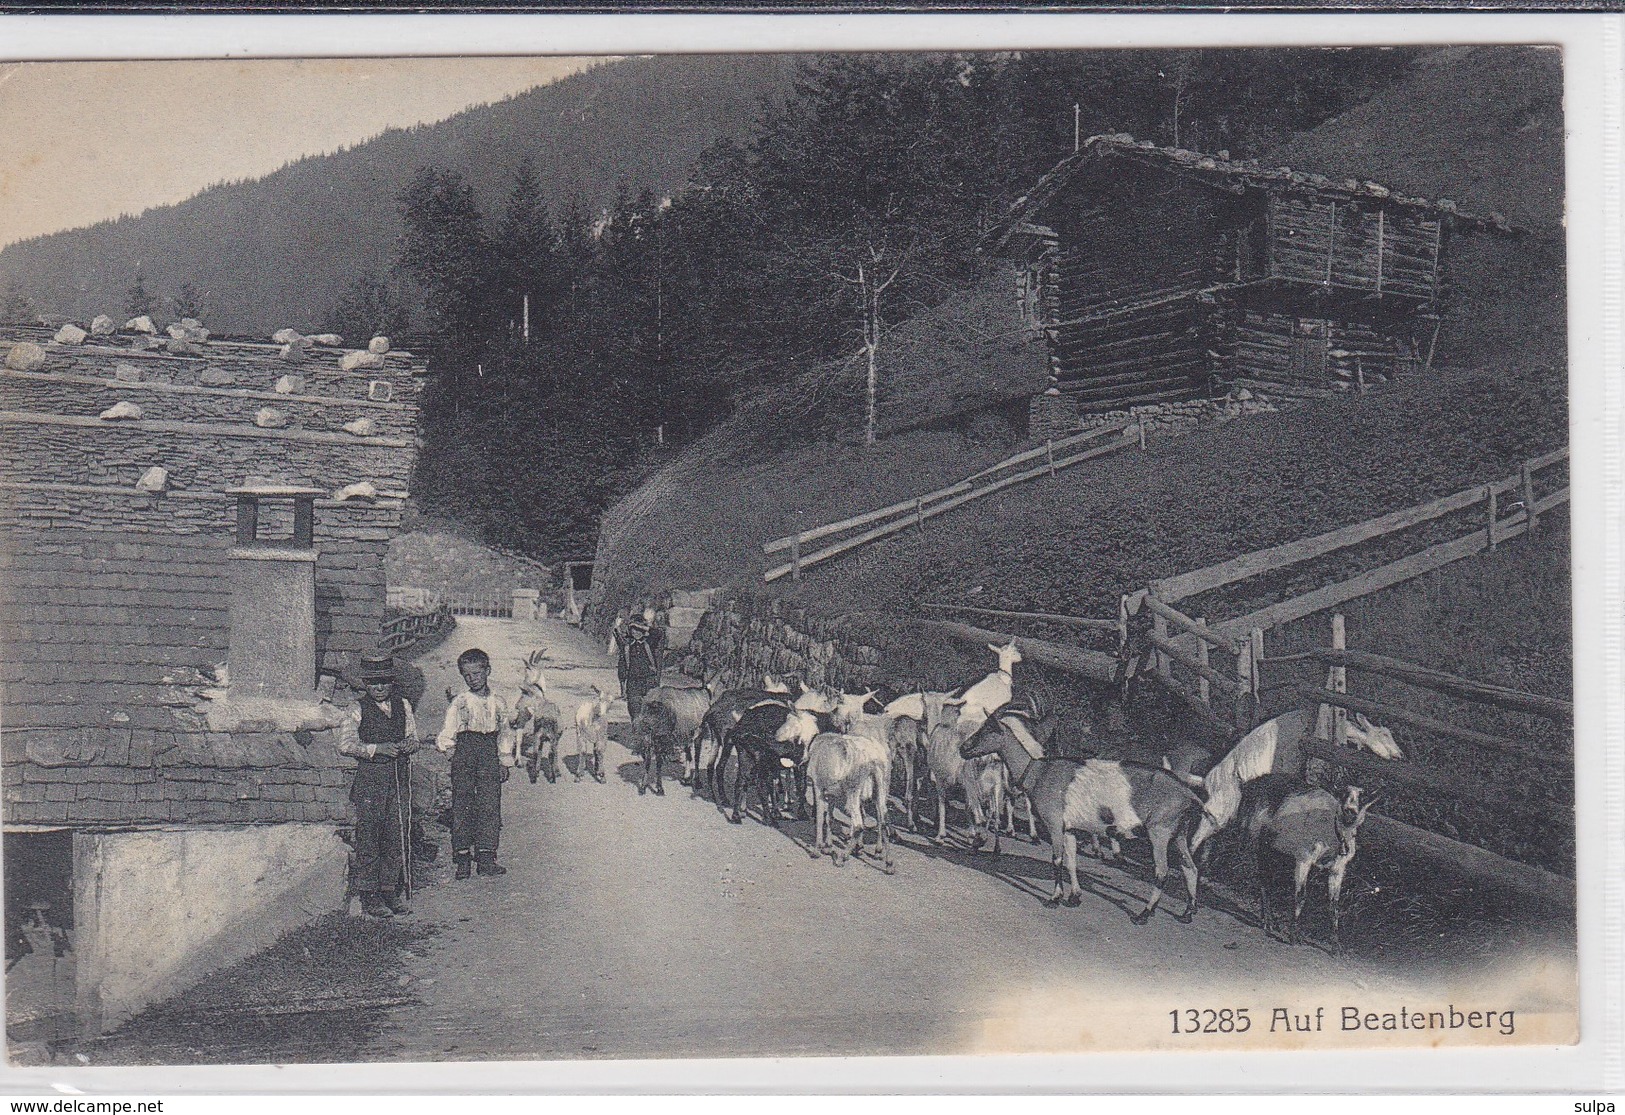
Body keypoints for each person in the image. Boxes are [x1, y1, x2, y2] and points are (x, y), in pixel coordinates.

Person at [337, 651, 420, 918]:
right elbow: (345, 745)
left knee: (395, 833)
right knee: (370, 835)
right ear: (365, 684)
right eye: (373, 683)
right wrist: (377, 749)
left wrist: (409, 744)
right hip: (371, 779)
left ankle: (389, 891)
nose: (380, 687)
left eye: (384, 681)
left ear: (391, 681)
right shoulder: (356, 709)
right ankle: (370, 895)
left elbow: (413, 737)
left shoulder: (403, 705)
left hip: (398, 777)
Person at [437, 648, 518, 880]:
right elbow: (448, 731)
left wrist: (504, 760)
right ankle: (462, 858)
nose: (472, 679)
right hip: (465, 750)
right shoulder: (460, 702)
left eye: (477, 673)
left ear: (487, 671)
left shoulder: (499, 703)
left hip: (488, 752)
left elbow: (504, 733)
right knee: (462, 803)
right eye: (467, 675)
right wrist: (452, 751)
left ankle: (486, 857)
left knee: (490, 805)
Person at [618, 613, 663, 718]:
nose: (636, 633)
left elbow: (659, 633)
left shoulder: (650, 643)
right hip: (633, 682)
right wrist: (622, 687)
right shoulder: (627, 647)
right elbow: (622, 668)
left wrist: (641, 626)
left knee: (652, 710)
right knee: (634, 709)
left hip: (649, 681)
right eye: (634, 630)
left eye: (639, 630)